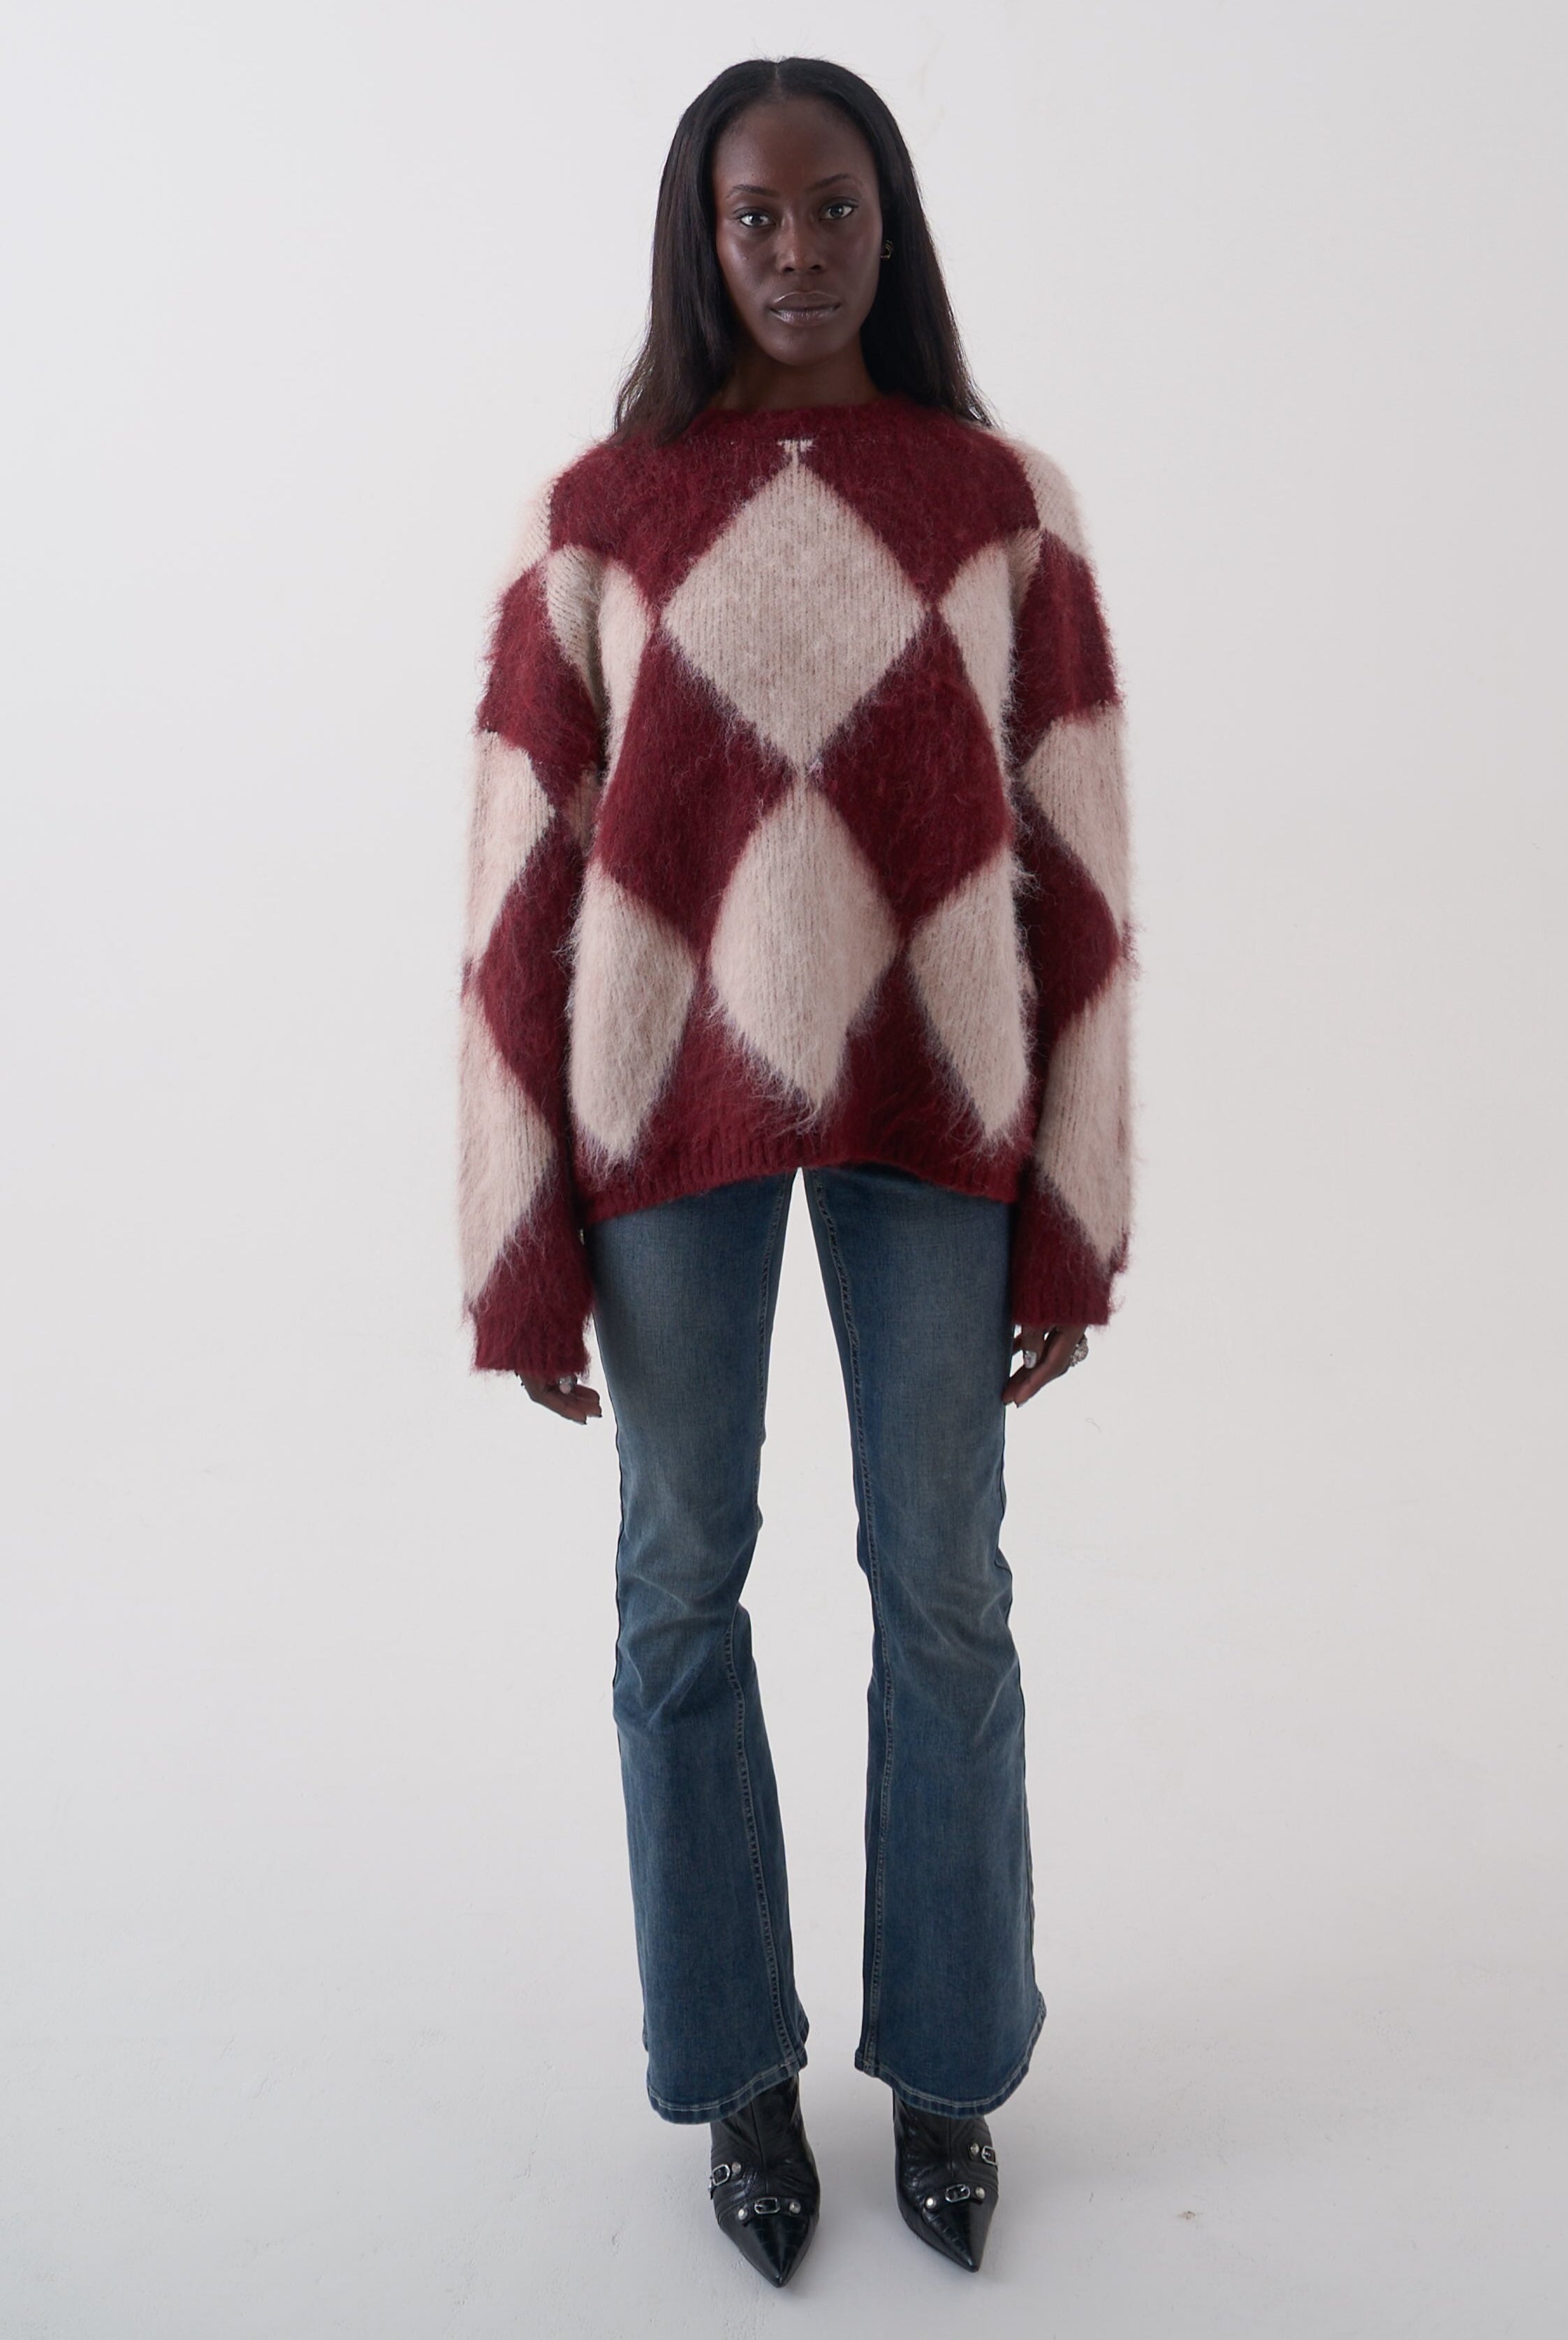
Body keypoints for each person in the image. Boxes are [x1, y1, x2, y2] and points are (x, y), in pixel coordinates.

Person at [457, 54, 1134, 2289]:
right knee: (678, 1590)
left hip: (941, 1108)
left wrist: (1077, 1200)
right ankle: (738, 2069)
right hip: (666, 1117)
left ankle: (946, 2068)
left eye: (833, 207)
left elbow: (1078, 860)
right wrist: (519, 1237)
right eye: (755, 215)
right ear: (700, 238)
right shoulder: (599, 515)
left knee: (945, 1591)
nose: (797, 250)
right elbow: (521, 889)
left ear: (889, 220)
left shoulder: (1001, 505)